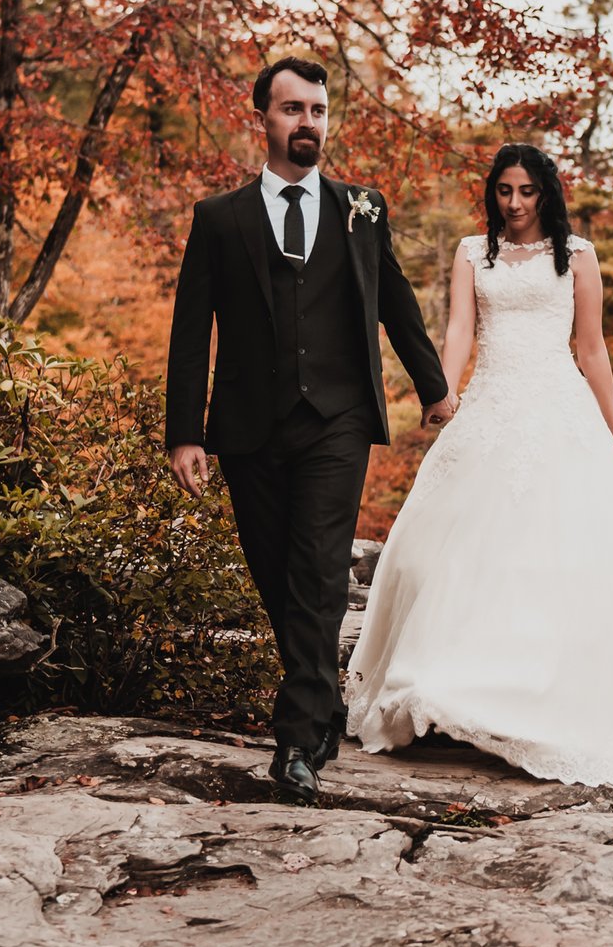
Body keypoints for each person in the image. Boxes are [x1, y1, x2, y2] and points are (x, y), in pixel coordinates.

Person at [345, 143, 613, 789]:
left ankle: (553, 700)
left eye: (526, 191)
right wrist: (445, 390)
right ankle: (451, 690)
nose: (515, 203)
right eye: (504, 191)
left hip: (559, 410)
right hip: (491, 405)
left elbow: (593, 348)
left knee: (568, 551)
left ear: (545, 193)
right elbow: (461, 327)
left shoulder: (578, 256)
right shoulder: (472, 253)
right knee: (455, 553)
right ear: (492, 193)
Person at [165, 56, 455, 804]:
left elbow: (396, 303)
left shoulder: (363, 208)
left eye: (318, 110)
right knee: (275, 577)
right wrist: (183, 432)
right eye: (293, 109)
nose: (308, 123)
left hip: (339, 419)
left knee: (320, 574)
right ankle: (324, 703)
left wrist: (434, 387)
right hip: (247, 425)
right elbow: (191, 331)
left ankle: (295, 742)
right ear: (262, 117)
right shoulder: (219, 219)